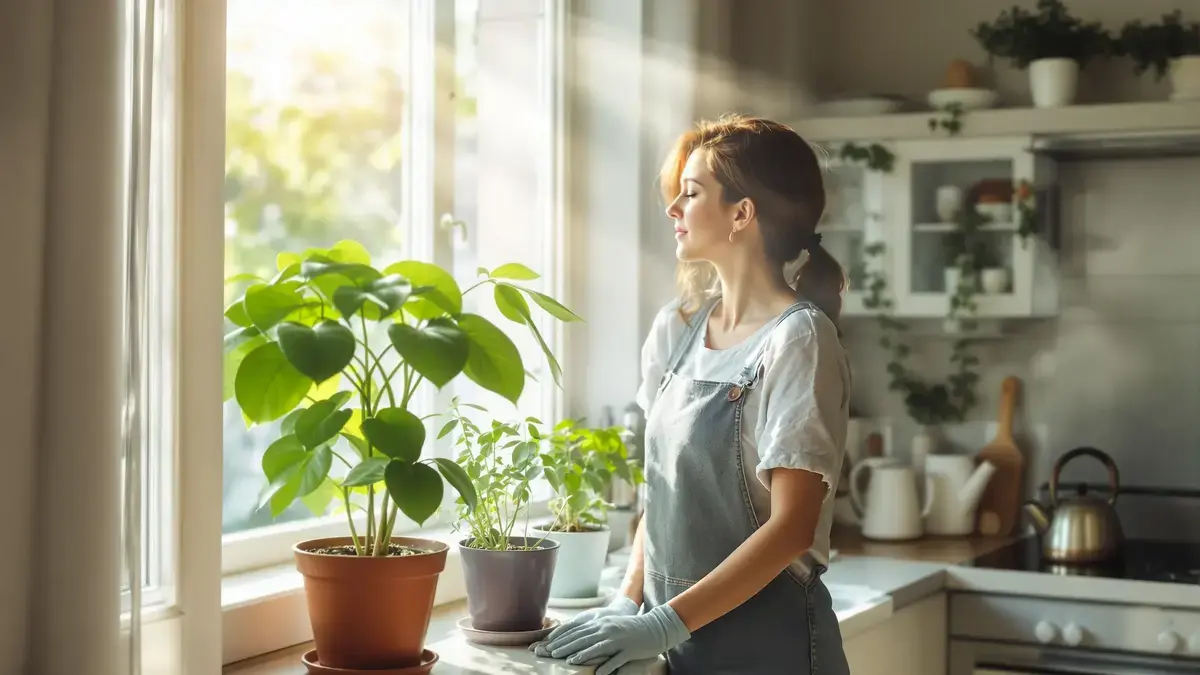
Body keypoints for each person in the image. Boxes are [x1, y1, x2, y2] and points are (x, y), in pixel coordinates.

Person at [530, 114, 853, 674]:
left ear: (741, 213)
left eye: (691, 193)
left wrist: (661, 623)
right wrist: (628, 601)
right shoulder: (676, 331)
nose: (672, 210)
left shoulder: (800, 338)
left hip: (771, 648)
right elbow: (663, 495)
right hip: (680, 643)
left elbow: (792, 528)